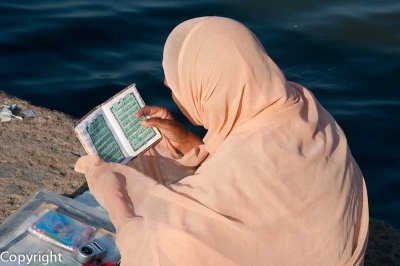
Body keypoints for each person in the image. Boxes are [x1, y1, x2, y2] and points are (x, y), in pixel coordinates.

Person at [75, 16, 369, 265]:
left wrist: (109, 183)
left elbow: (159, 250)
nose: (167, 85)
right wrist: (189, 144)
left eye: (176, 80)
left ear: (210, 83)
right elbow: (250, 179)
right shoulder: (298, 107)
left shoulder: (250, 162)